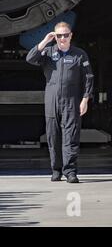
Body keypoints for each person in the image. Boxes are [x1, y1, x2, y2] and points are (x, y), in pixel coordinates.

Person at [26, 22, 94, 183]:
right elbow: (30, 58)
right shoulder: (48, 52)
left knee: (71, 136)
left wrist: (85, 100)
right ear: (54, 36)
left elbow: (89, 78)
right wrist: (45, 41)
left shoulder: (79, 54)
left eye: (65, 35)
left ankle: (70, 171)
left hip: (72, 100)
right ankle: (56, 170)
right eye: (59, 35)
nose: (62, 38)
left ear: (71, 35)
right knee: (53, 136)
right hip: (52, 100)